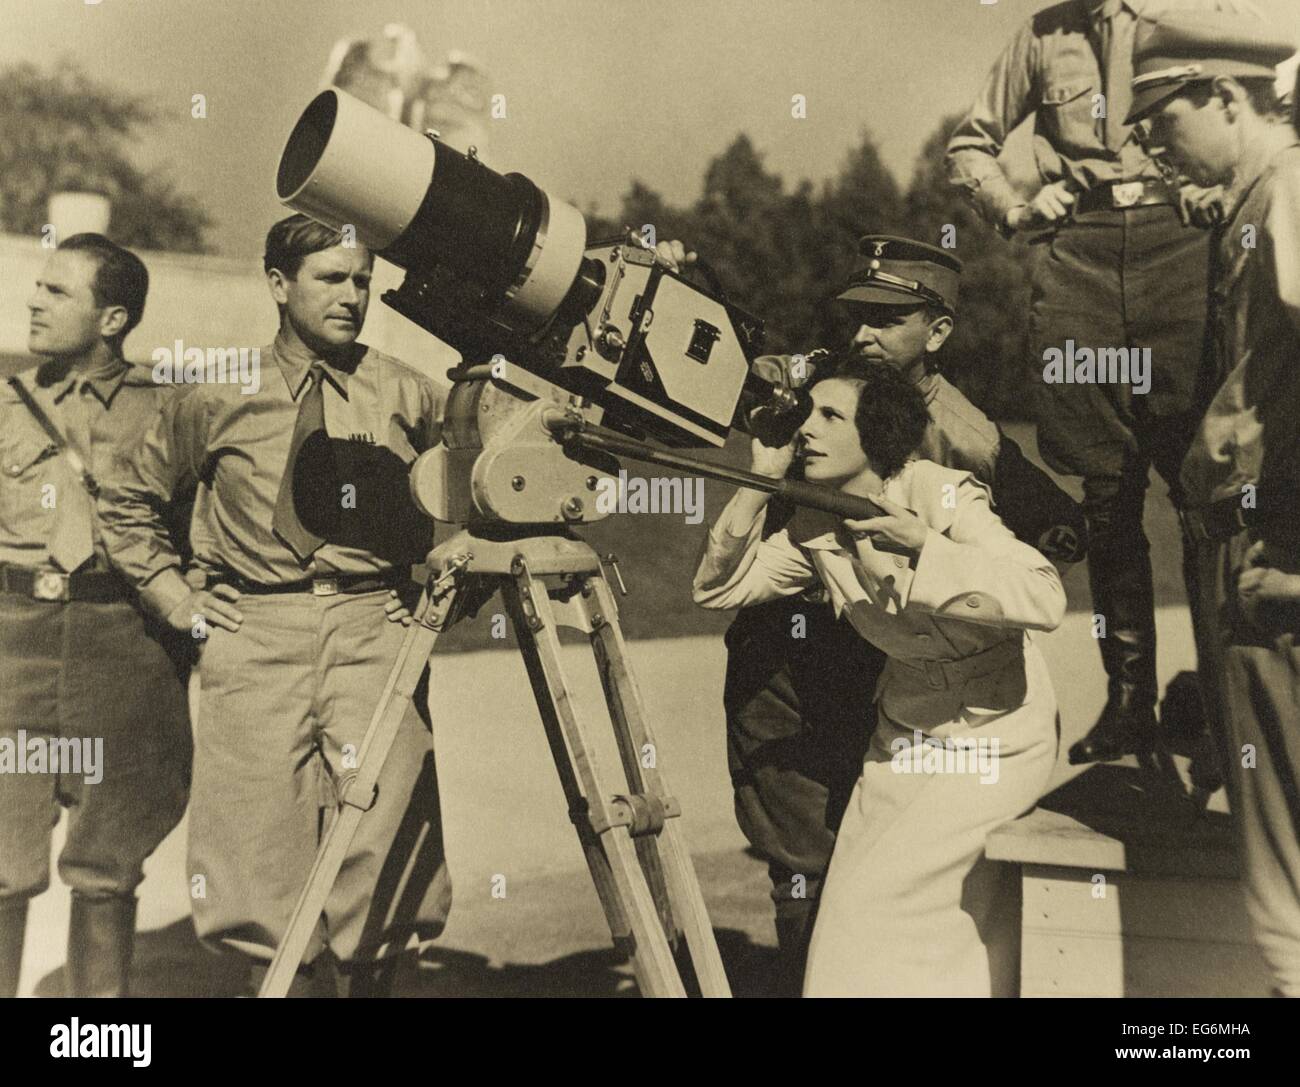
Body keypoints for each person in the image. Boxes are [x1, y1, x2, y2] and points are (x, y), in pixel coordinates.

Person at [714, 236, 1085, 994]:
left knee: (914, 900)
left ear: (938, 332)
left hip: (939, 687)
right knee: (814, 867)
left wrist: (930, 553)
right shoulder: (824, 383)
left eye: (886, 320)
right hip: (820, 662)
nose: (862, 336)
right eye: (855, 318)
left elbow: (1052, 555)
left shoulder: (965, 443)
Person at [97, 214, 452, 997]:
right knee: (253, 859)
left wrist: (439, 601)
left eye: (362, 280)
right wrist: (179, 599)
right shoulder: (217, 390)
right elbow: (125, 499)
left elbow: (487, 502)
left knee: (386, 846)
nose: (353, 295)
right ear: (278, 284)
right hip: (255, 634)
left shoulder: (407, 393)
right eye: (332, 278)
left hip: (374, 629)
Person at [946, 0, 1260, 768]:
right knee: (1105, 490)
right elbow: (970, 142)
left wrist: (1225, 186)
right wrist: (1016, 207)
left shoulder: (1194, 17)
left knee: (1201, 487)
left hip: (1180, 248)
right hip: (1079, 254)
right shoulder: (1044, 34)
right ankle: (1129, 706)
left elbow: (1257, 108)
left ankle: (1226, 705)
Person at [1127, 10, 1300, 996]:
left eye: (1162, 116)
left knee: (1284, 868)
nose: (1150, 145)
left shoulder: (1284, 187)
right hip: (1256, 558)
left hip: (1280, 558)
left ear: (1228, 97)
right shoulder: (1249, 200)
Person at [0, 234, 192, 997]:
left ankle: (96, 1039)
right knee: (1, 860)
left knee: (107, 864)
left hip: (124, 646)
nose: (32, 302)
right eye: (37, 288)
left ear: (112, 318)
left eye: (56, 292)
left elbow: (202, 533)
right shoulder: (7, 402)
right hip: (13, 643)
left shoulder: (172, 410)